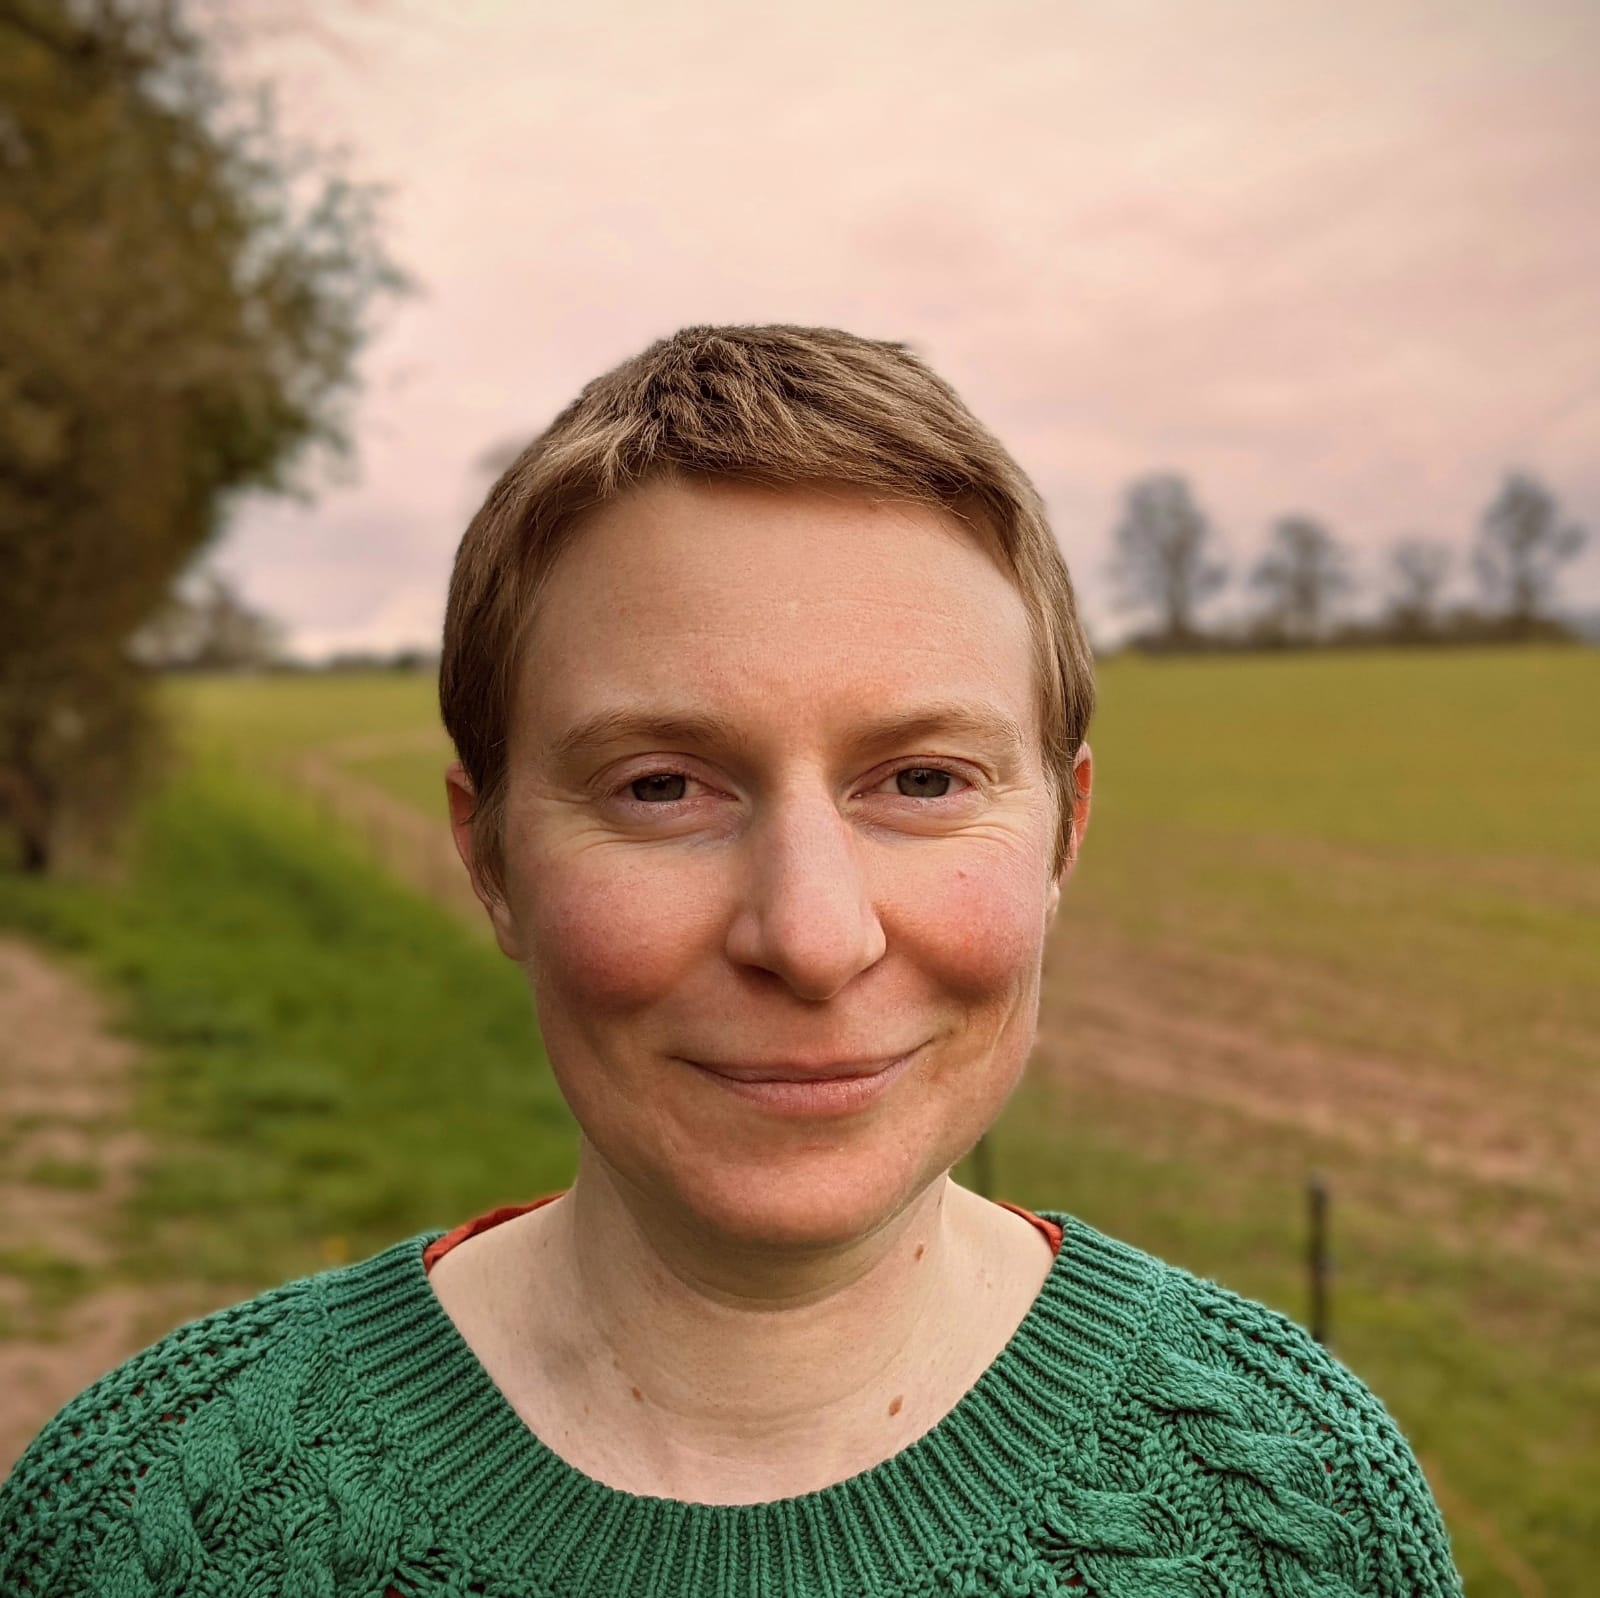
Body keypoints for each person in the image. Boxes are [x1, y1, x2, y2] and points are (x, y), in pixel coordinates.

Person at [0, 325, 1463, 1596]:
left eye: (923, 780)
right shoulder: (141, 1525)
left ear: (1064, 831)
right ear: (489, 855)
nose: (813, 938)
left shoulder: (1299, 1506)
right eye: (660, 787)